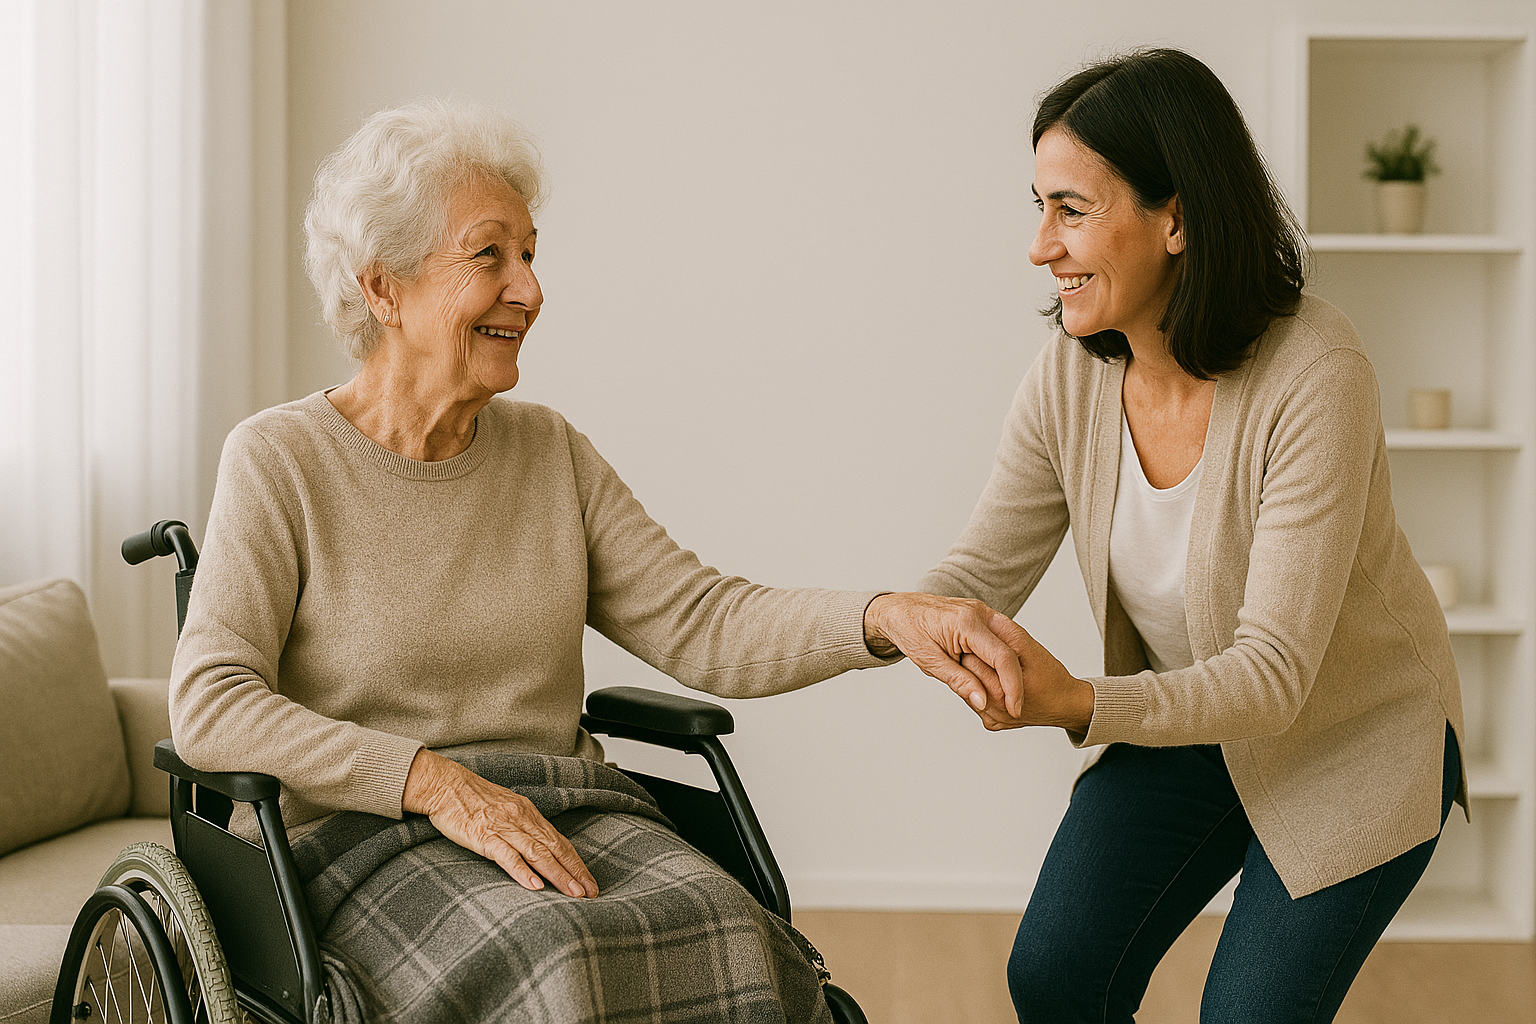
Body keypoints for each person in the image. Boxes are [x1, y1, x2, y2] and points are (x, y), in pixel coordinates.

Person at [169, 98, 1026, 1024]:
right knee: (556, 958)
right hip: (365, 841)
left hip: (561, 808)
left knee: (731, 929)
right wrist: (434, 781)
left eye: (530, 254)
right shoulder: (279, 460)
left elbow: (702, 621)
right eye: (489, 254)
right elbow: (212, 702)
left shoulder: (549, 452)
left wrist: (882, 617)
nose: (530, 290)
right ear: (384, 288)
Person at [917, 49, 1467, 1023]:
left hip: (1350, 735)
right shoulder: (1071, 376)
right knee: (1054, 972)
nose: (1040, 245)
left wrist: (1078, 700)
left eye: (1071, 209)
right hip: (1188, 720)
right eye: (1037, 206)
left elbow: (1275, 675)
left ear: (1177, 217)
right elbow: (980, 567)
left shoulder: (1316, 371)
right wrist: (908, 621)